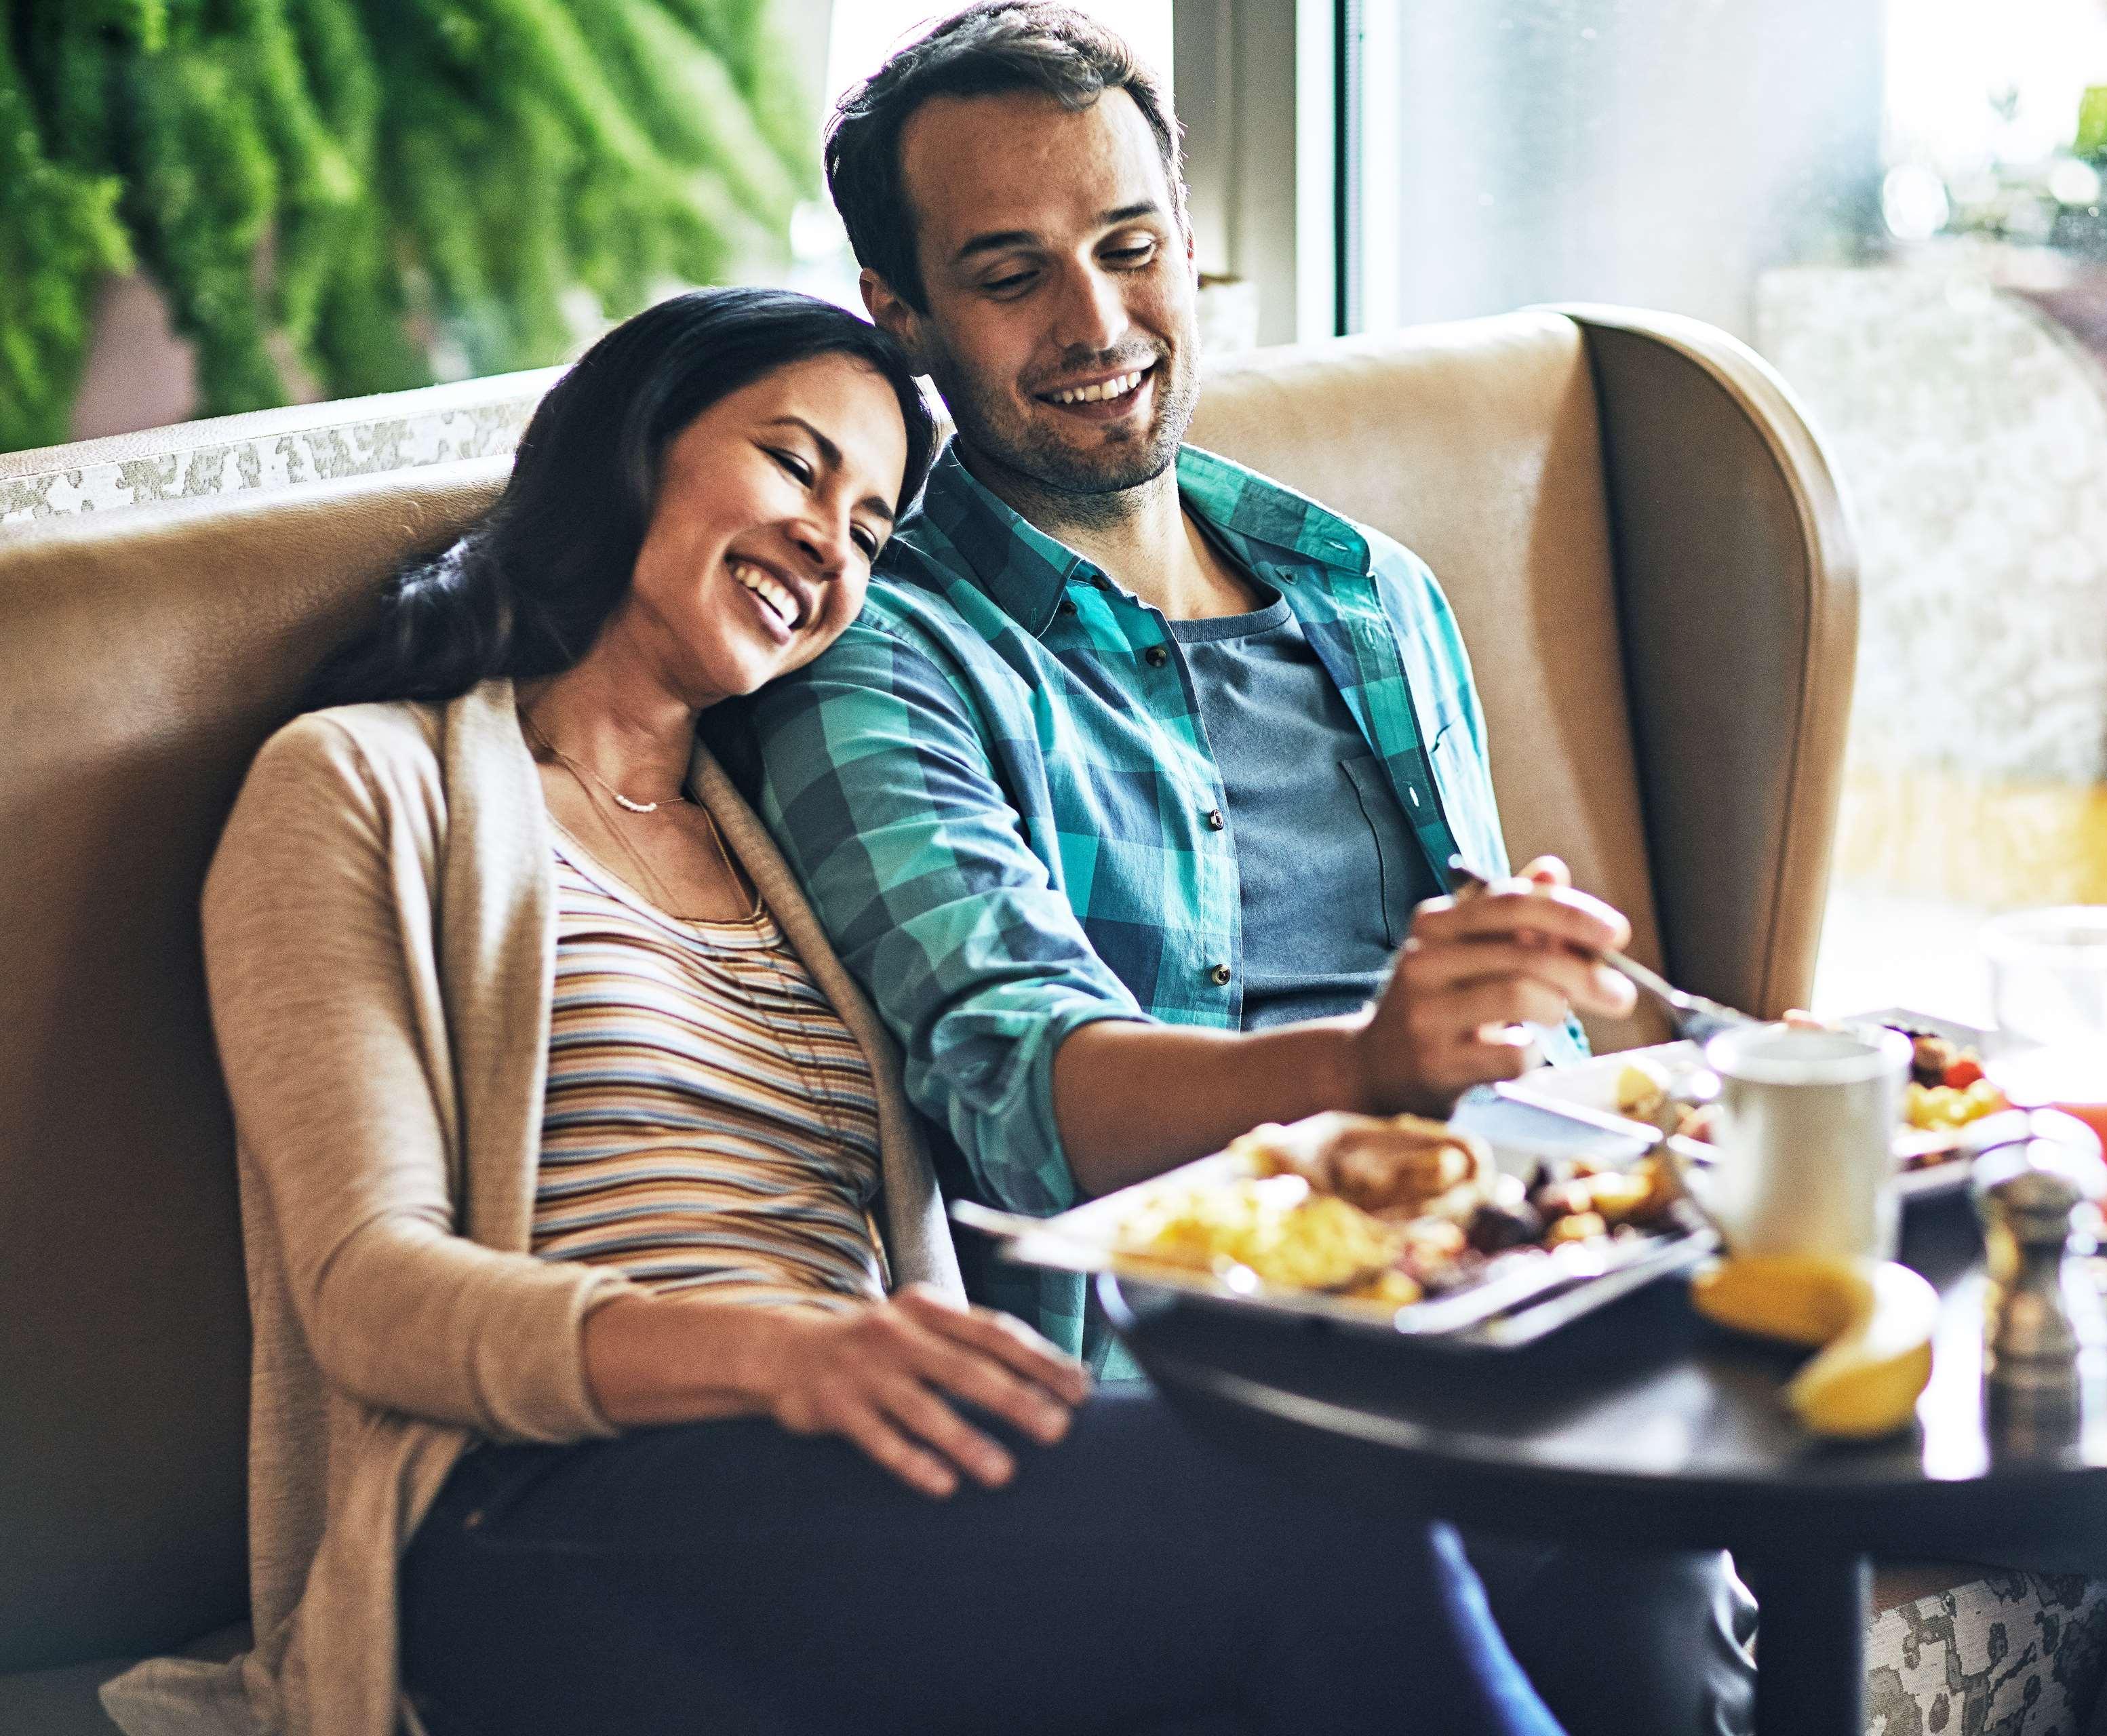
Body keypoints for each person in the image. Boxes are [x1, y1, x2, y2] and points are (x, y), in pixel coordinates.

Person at [730, 7, 2107, 1735]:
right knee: (1633, 1573)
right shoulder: (884, 663)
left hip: (1579, 1276)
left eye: (1131, 245)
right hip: (1251, 1400)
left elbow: (1539, 1058)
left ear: (1190, 240)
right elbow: (1028, 1093)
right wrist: (1369, 1068)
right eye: (1011, 273)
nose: (1097, 323)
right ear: (903, 309)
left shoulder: (1360, 589)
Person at [100, 287, 1567, 1736]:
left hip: (844, 1455)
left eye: (871, 526)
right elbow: (371, 1292)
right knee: (1309, 1507)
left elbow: (1018, 1041)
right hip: (532, 1506)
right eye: (797, 465)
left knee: (1509, 1502)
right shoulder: (361, 784)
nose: (828, 539)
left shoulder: (777, 839)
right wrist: (787, 1354)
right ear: (635, 442)